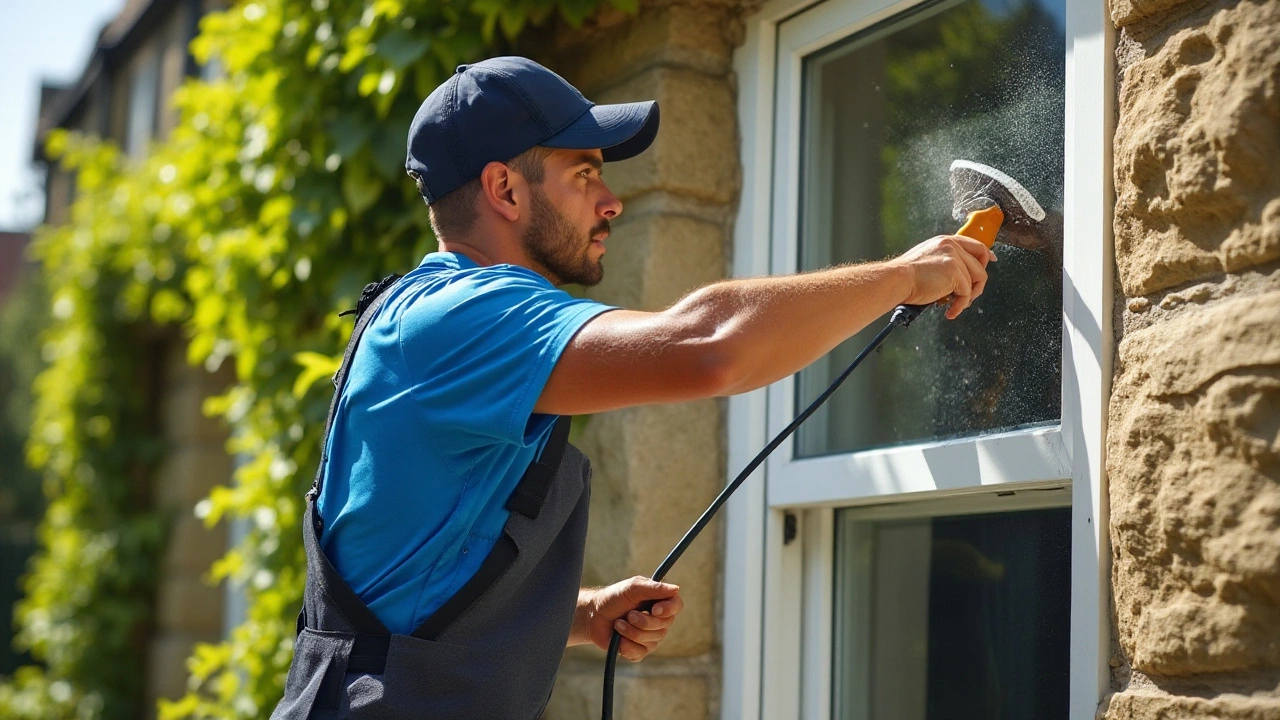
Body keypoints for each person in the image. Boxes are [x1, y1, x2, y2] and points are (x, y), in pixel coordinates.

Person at [273, 56, 994, 719]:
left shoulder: (429, 314)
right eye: (584, 173)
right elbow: (712, 347)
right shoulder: (465, 317)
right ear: (504, 189)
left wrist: (579, 615)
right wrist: (906, 274)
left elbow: (405, 577)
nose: (611, 201)